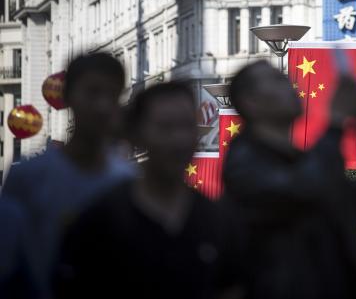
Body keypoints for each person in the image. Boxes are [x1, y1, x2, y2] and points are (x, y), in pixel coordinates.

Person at [223, 60, 356, 299]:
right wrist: (336, 124)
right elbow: (305, 189)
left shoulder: (310, 166)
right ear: (251, 101)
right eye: (278, 80)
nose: (292, 84)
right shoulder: (244, 165)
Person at [53, 82, 246, 299]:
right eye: (165, 128)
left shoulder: (219, 220)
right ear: (137, 135)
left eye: (187, 126)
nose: (178, 140)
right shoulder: (100, 220)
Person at [1, 53, 134, 297]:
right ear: (69, 96)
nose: (102, 106)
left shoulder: (129, 180)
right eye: (93, 92)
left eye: (112, 94)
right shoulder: (28, 177)